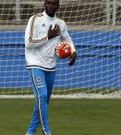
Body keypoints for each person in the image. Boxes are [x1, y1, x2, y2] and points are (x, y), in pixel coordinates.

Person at [24, 0, 77, 134]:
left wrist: (73, 51)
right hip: (35, 64)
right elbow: (28, 43)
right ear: (44, 4)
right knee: (42, 96)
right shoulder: (34, 19)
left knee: (43, 101)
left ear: (58, 6)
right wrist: (48, 36)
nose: (51, 6)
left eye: (54, 3)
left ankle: (30, 132)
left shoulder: (61, 23)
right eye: (48, 3)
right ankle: (47, 131)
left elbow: (67, 39)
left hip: (51, 67)